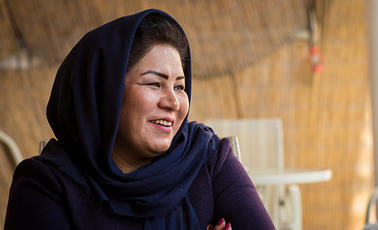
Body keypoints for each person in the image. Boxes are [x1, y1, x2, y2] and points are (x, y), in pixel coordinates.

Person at [4, 9, 275, 230]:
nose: (173, 102)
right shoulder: (46, 185)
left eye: (179, 87)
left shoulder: (207, 158)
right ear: (104, 93)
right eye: (155, 84)